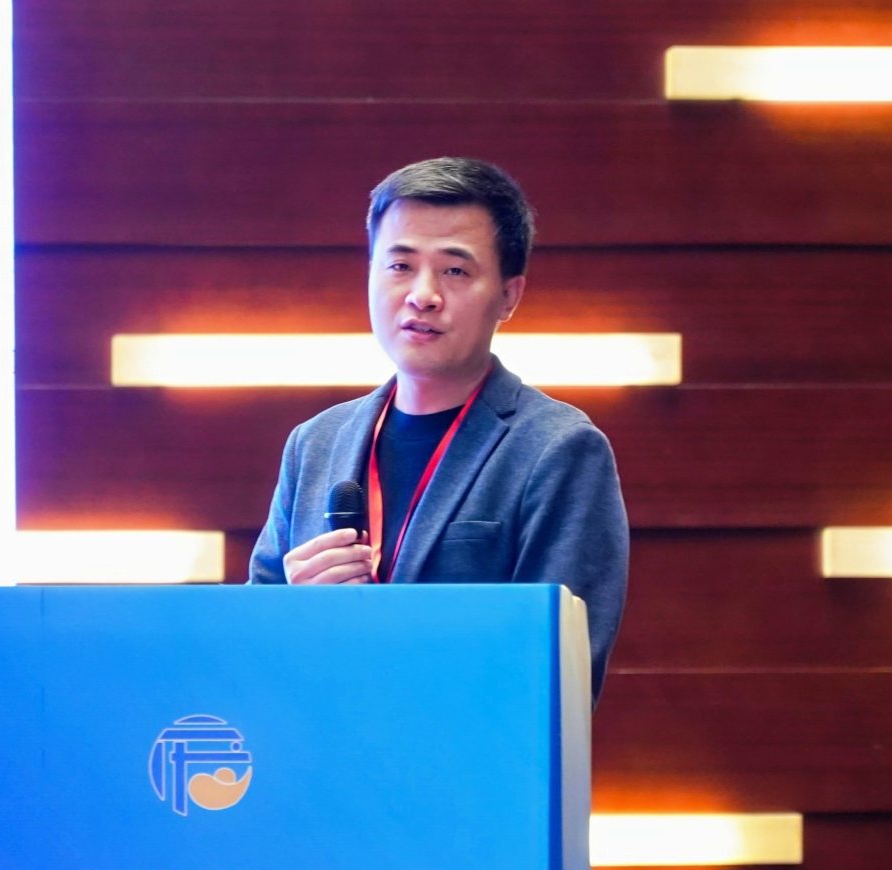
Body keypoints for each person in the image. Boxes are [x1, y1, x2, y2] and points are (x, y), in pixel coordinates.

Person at [248, 157, 629, 701]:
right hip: (315, 746)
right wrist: (293, 612)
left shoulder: (558, 449)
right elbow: (248, 649)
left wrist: (380, 645)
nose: (422, 294)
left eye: (455, 271)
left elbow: (560, 677)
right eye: (400, 265)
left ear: (509, 295)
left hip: (467, 752)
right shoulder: (315, 444)